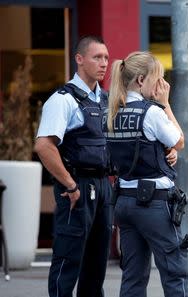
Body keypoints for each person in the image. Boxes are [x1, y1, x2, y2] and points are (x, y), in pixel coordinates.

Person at [105, 51, 188, 297]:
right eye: (158, 79)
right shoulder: (151, 112)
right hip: (154, 204)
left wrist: (166, 151)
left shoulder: (111, 112)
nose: (161, 85)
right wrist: (166, 104)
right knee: (175, 273)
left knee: (133, 276)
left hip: (124, 202)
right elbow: (180, 139)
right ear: (142, 81)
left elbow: (137, 148)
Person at [34, 35, 112, 297]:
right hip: (77, 188)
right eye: (97, 57)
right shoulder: (63, 99)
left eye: (105, 57)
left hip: (103, 188)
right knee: (68, 259)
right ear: (79, 59)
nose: (103, 63)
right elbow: (44, 146)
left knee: (96, 264)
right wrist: (70, 184)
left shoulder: (105, 100)